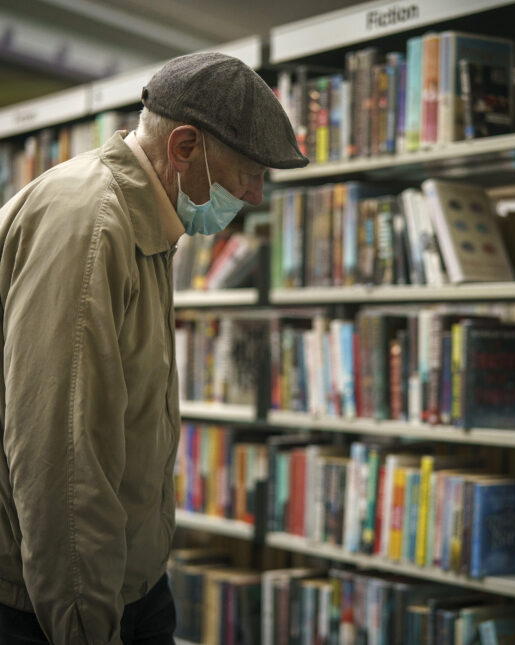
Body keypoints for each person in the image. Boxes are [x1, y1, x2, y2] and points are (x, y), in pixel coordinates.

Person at [0, 52, 308, 644]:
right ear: (185, 147)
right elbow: (61, 457)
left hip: (125, 587)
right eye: (249, 172)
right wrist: (86, 625)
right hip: (52, 607)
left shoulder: (146, 218)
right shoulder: (90, 224)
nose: (257, 195)